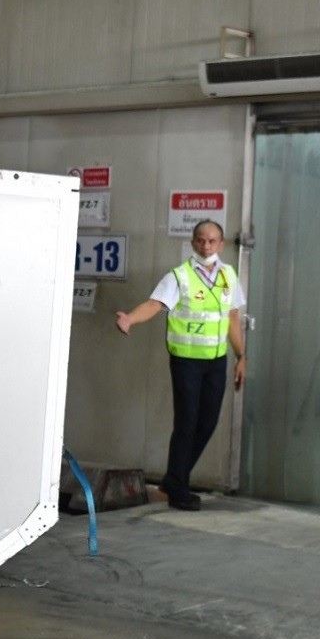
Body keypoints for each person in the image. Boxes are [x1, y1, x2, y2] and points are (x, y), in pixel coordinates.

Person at [114, 218, 246, 511]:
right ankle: (178, 487)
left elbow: (233, 318)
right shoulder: (180, 276)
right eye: (200, 240)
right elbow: (155, 304)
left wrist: (241, 357)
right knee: (186, 422)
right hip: (186, 361)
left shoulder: (228, 275)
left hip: (216, 361)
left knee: (207, 422)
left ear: (221, 245)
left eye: (212, 241)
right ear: (192, 243)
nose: (206, 246)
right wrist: (130, 319)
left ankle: (175, 479)